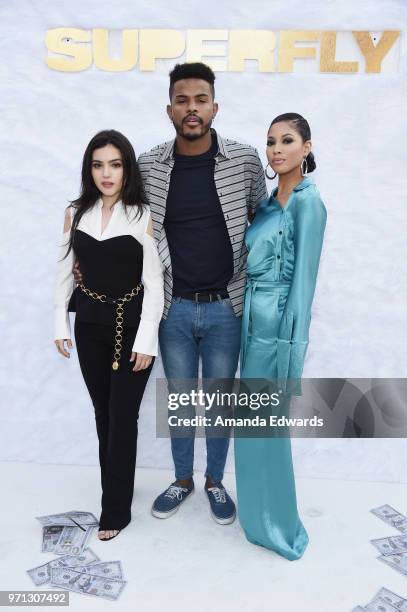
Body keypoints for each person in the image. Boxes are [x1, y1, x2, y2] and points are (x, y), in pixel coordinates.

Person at [138, 62, 267, 524]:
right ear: (169, 108)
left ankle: (214, 480)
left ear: (214, 106)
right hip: (172, 307)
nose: (191, 109)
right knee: (179, 400)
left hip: (225, 308)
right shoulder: (149, 164)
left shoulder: (246, 161)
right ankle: (181, 479)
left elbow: (265, 223)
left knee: (217, 402)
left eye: (200, 100)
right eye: (182, 100)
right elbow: (131, 225)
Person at [54, 130, 164, 541]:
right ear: (89, 168)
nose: (106, 173)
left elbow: (154, 283)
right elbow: (65, 272)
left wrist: (147, 341)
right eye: (98, 164)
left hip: (132, 327)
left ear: (127, 169)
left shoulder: (141, 214)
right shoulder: (73, 212)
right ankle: (114, 489)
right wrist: (58, 325)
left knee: (123, 416)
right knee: (104, 414)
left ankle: (115, 509)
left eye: (115, 164)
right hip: (89, 328)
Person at [234, 113, 327, 560]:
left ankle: (280, 526)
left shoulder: (309, 203)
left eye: (287, 140)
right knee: (251, 427)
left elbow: (303, 287)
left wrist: (291, 349)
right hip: (252, 322)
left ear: (306, 147)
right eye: (270, 141)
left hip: (277, 330)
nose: (276, 149)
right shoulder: (269, 202)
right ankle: (257, 517)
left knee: (268, 428)